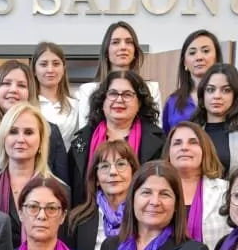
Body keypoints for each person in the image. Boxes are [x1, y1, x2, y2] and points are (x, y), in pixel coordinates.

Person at [67, 70, 165, 206]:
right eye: (112, 94)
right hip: (90, 220)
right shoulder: (82, 141)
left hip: (141, 220)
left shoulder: (160, 143)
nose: (119, 100)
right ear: (102, 101)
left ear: (140, 103)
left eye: (127, 95)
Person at [0, 60, 72, 187]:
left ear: (30, 93)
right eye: (6, 83)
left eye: (21, 85)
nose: (13, 90)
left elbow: (62, 186)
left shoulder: (50, 132)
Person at [0, 102, 60, 235]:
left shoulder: (59, 190)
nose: (21, 139)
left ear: (41, 141)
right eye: (13, 132)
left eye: (29, 132)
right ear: (3, 139)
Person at [65, 139, 138, 250]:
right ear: (96, 178)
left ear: (134, 173)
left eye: (121, 164)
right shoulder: (76, 221)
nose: (113, 172)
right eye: (105, 166)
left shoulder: (146, 216)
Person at [164, 121, 230, 250]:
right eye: (177, 143)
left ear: (204, 150)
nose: (184, 147)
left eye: (193, 142)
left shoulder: (226, 191)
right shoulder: (156, 192)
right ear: (168, 153)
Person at [73, 21, 162, 111]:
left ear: (135, 50)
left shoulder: (152, 89)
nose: (123, 47)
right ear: (107, 51)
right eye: (115, 42)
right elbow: (86, 124)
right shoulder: (88, 90)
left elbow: (155, 124)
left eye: (129, 42)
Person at [192, 62, 238, 168]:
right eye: (211, 90)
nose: (217, 96)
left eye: (226, 90)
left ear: (235, 96)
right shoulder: (191, 132)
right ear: (202, 94)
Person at [162, 29, 221, 132]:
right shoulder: (173, 101)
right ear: (184, 62)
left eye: (206, 51)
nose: (199, 57)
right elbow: (166, 140)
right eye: (192, 53)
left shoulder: (230, 97)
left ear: (216, 58)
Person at [33, 41, 85, 143]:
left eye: (56, 64)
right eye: (43, 64)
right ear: (34, 70)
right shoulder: (26, 104)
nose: (50, 70)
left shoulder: (75, 106)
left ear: (63, 68)